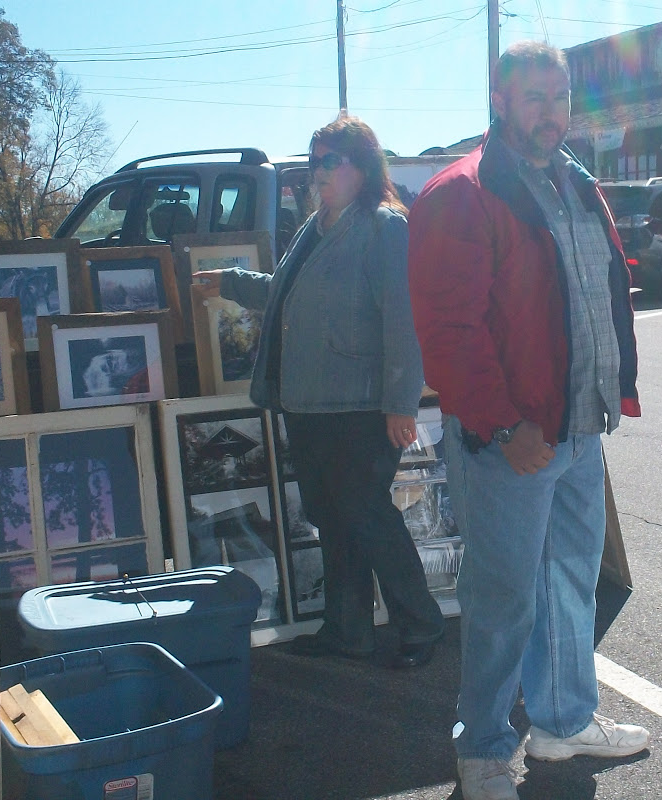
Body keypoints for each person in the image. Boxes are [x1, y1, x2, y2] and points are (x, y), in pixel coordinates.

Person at [407, 42, 650, 799]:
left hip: (579, 429)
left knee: (570, 586)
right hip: (511, 438)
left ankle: (562, 722)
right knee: (502, 597)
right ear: (500, 99)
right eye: (535, 96)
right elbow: (450, 330)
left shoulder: (575, 184)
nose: (552, 111)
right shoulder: (463, 192)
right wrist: (505, 427)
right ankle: (482, 749)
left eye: (562, 94)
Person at [194, 115, 444, 669]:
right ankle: (348, 630)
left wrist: (402, 403)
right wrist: (228, 283)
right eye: (314, 162)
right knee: (332, 519)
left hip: (358, 407)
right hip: (307, 402)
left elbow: (404, 321)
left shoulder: (385, 228)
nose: (319, 172)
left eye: (332, 161)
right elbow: (286, 293)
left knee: (369, 517)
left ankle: (420, 625)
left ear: (363, 166)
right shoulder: (316, 226)